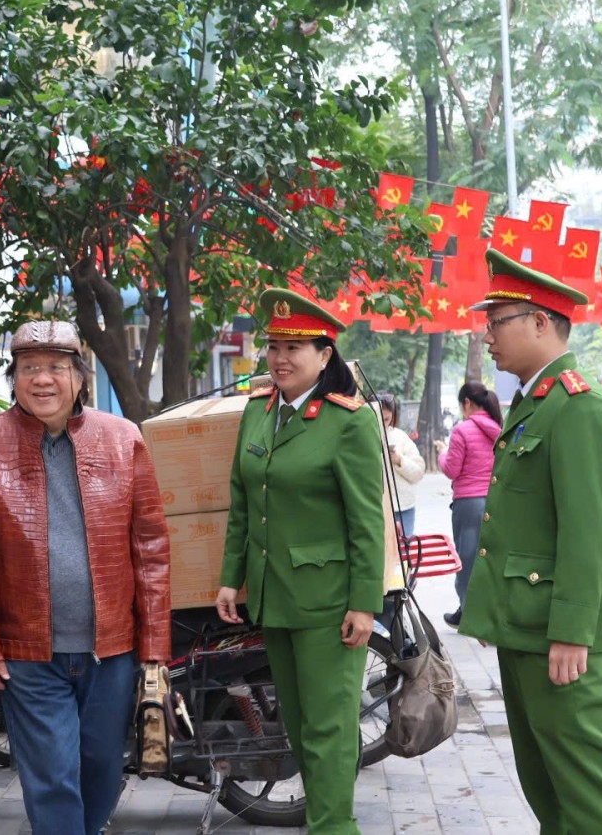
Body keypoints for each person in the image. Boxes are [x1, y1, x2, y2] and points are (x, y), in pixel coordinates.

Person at [0, 319, 171, 835]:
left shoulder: (124, 439)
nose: (42, 380)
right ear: (14, 378)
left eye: (55, 367)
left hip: (111, 650)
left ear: (79, 377)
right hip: (27, 655)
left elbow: (151, 549)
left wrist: (154, 648)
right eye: (29, 369)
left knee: (103, 771)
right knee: (52, 777)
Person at [459, 249, 602, 834]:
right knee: (548, 790)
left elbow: (589, 536)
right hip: (526, 626)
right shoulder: (532, 405)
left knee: (593, 797)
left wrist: (571, 632)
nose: (488, 334)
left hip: (561, 637)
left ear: (541, 321)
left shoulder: (579, 409)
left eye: (498, 320)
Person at [216, 288, 386, 835]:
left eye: (295, 347)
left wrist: (365, 604)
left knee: (330, 729)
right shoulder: (259, 413)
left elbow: (367, 522)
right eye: (274, 346)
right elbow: (243, 502)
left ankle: (335, 828)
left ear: (325, 354)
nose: (281, 358)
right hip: (274, 597)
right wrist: (230, 579)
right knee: (298, 727)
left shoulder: (348, 421)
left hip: (329, 604)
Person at [433, 381, 502, 628]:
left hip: (468, 504)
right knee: (491, 559)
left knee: (467, 559)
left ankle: (469, 612)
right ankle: (484, 611)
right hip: (495, 501)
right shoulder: (498, 428)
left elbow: (452, 469)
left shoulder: (462, 430)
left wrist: (442, 453)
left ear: (467, 403)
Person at [375, 392, 425, 536]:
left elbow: (418, 473)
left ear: (393, 416)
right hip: (375, 509)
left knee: (405, 551)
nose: (383, 423)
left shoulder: (400, 437)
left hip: (403, 507)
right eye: (378, 418)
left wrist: (399, 460)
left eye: (387, 419)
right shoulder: (361, 436)